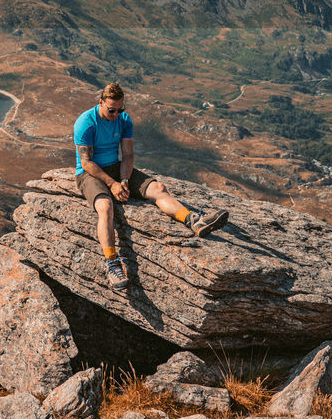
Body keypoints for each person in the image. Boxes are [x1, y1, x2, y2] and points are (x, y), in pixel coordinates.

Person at [73, 81, 228, 288]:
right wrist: (112, 185)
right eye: (111, 110)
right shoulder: (86, 123)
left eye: (121, 109)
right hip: (90, 174)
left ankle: (193, 220)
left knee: (158, 189)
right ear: (101, 102)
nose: (116, 114)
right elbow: (87, 162)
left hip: (116, 167)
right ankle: (112, 262)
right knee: (105, 206)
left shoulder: (124, 119)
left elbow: (128, 155)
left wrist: (125, 181)